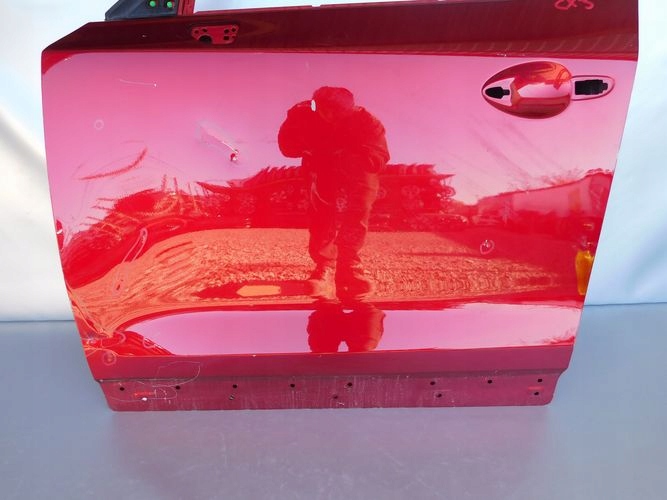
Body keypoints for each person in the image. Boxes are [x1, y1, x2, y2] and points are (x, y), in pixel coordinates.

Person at [278, 87, 390, 297]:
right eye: (324, 110)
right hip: (320, 164)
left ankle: (350, 264)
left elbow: (379, 158)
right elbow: (287, 148)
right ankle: (325, 265)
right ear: (315, 106)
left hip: (355, 165)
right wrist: (306, 137)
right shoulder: (302, 114)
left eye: (336, 112)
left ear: (349, 110)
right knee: (320, 211)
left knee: (361, 200)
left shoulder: (367, 122)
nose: (329, 116)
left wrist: (351, 153)